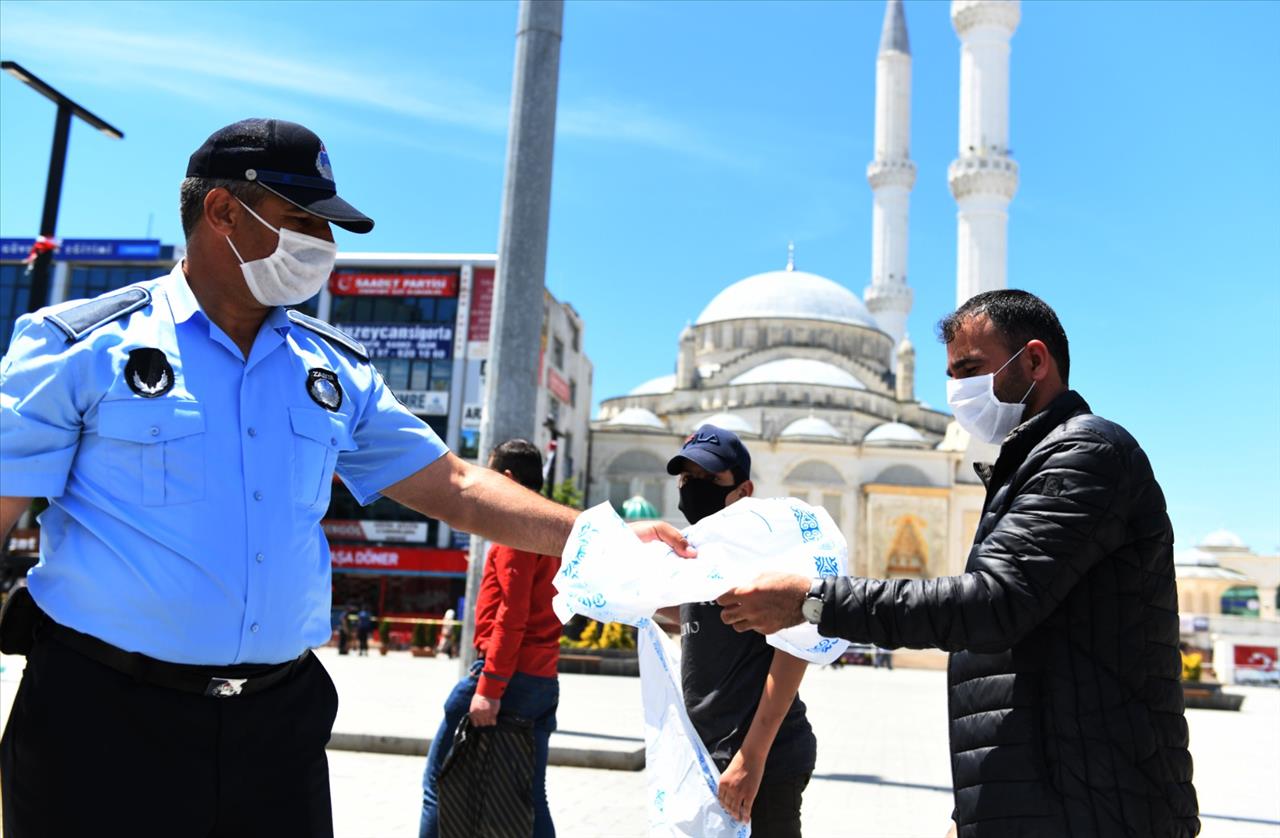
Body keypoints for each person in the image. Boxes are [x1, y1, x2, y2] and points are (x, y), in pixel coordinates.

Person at [0, 118, 690, 838]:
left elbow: (452, 485)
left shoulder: (331, 370)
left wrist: (601, 537)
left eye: (328, 229)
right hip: (100, 720)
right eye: (302, 220)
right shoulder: (80, 346)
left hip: (274, 729)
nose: (322, 247)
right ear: (222, 212)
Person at [716, 290, 1199, 838]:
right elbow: (1031, 652)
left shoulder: (1085, 455)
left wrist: (813, 599)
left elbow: (991, 604)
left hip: (1098, 802)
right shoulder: (1030, 467)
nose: (958, 392)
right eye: (951, 375)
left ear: (1035, 361)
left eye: (971, 369)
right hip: (1050, 793)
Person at [663, 425, 816, 837]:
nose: (694, 488)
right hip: (709, 756)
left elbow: (794, 650)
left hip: (760, 762)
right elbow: (708, 617)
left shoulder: (763, 550)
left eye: (711, 480)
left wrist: (752, 758)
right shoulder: (698, 548)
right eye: (688, 478)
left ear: (744, 491)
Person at [420, 440, 563, 838]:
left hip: (506, 675)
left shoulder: (516, 527)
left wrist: (491, 687)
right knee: (529, 794)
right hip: (542, 676)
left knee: (440, 784)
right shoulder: (551, 528)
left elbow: (510, 615)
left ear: (506, 479)